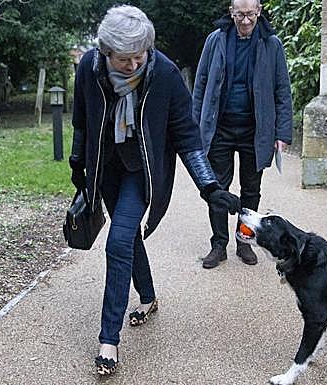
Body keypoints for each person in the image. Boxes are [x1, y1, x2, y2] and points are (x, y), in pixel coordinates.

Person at [69, 5, 240, 376]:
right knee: (128, 238)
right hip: (105, 167)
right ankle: (148, 298)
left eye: (139, 56)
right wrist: (76, 163)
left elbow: (187, 136)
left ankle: (108, 340)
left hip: (143, 172)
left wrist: (209, 185)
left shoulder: (163, 74)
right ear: (105, 53)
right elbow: (81, 116)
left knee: (117, 242)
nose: (133, 65)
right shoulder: (89, 67)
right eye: (124, 59)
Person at [193, 0, 293, 269]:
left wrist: (282, 132)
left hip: (255, 131)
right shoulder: (216, 40)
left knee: (251, 190)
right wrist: (194, 127)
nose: (245, 20)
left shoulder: (272, 44)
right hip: (220, 128)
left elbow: (282, 91)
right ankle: (218, 245)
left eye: (250, 14)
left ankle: (244, 241)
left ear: (259, 11)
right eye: (240, 14)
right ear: (231, 13)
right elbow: (200, 84)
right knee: (217, 189)